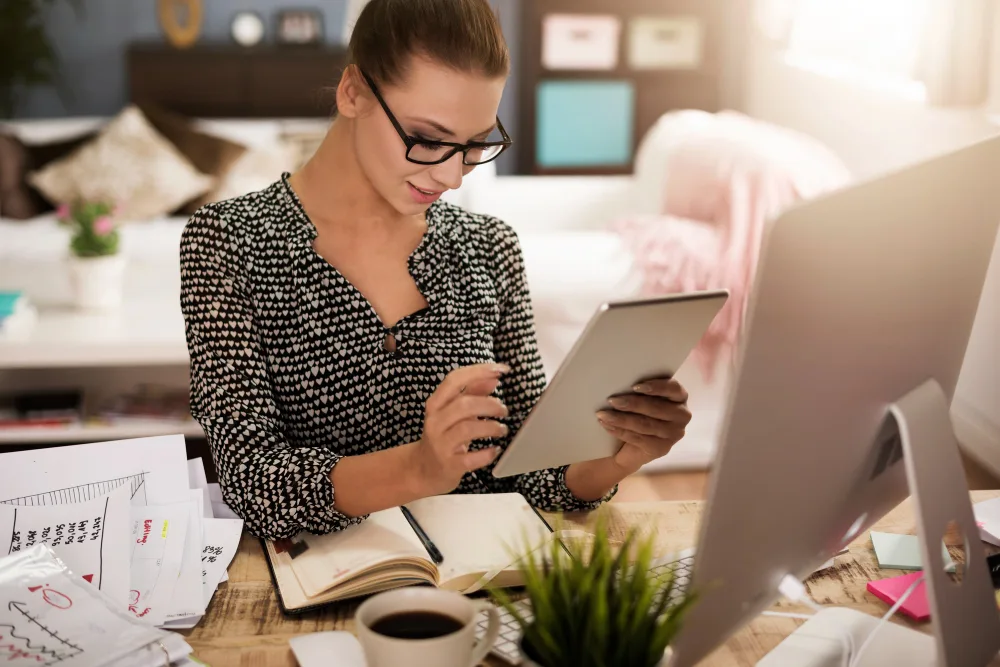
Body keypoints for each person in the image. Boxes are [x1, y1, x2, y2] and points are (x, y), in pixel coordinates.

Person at [179, 0, 692, 541]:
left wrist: (617, 456)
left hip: (485, 584)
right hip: (320, 592)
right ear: (353, 92)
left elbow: (532, 473)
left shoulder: (489, 246)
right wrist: (420, 468)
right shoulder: (227, 242)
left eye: (475, 146)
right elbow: (252, 484)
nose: (452, 176)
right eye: (427, 139)